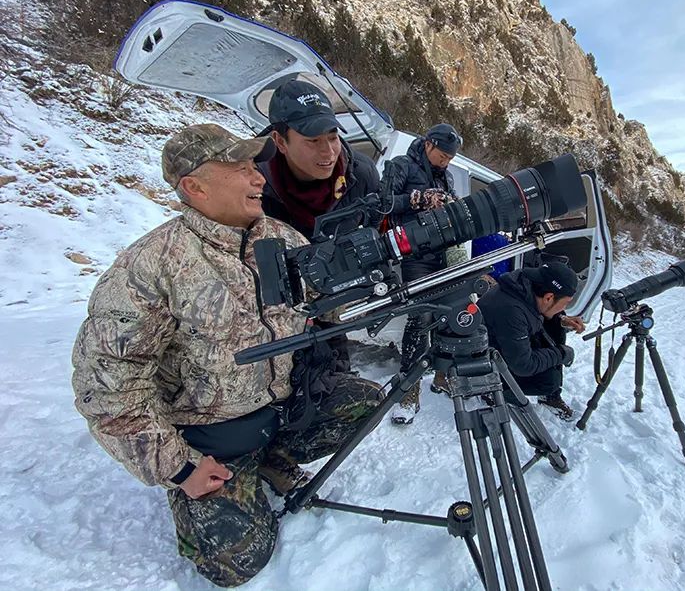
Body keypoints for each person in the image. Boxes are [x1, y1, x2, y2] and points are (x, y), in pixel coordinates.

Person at [71, 124, 383, 587]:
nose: (258, 177)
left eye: (255, 166)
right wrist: (179, 467)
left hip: (283, 411)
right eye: (240, 168)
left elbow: (329, 309)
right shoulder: (149, 268)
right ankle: (213, 485)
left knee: (369, 401)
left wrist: (372, 276)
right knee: (236, 563)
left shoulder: (284, 241)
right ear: (194, 187)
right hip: (213, 439)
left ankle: (272, 459)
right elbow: (105, 388)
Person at [257, 80, 380, 373]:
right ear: (280, 141)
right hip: (269, 320)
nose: (328, 152)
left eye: (333, 137)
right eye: (313, 141)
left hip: (331, 310)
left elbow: (373, 224)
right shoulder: (252, 183)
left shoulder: (361, 175)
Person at [381, 123, 463, 424]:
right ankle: (409, 392)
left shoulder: (446, 177)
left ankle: (442, 376)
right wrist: (417, 199)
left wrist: (452, 205)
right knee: (421, 318)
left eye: (450, 158)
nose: (445, 162)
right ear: (428, 144)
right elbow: (382, 204)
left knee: (450, 315)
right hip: (415, 254)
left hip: (444, 252)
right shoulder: (401, 165)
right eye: (443, 155)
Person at [477, 261, 586, 420]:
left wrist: (560, 318)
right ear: (549, 297)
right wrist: (561, 354)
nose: (564, 308)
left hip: (505, 343)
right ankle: (491, 390)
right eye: (565, 303)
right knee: (549, 380)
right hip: (486, 364)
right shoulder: (511, 311)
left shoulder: (525, 286)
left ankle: (550, 397)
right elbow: (523, 365)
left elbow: (534, 313)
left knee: (555, 326)